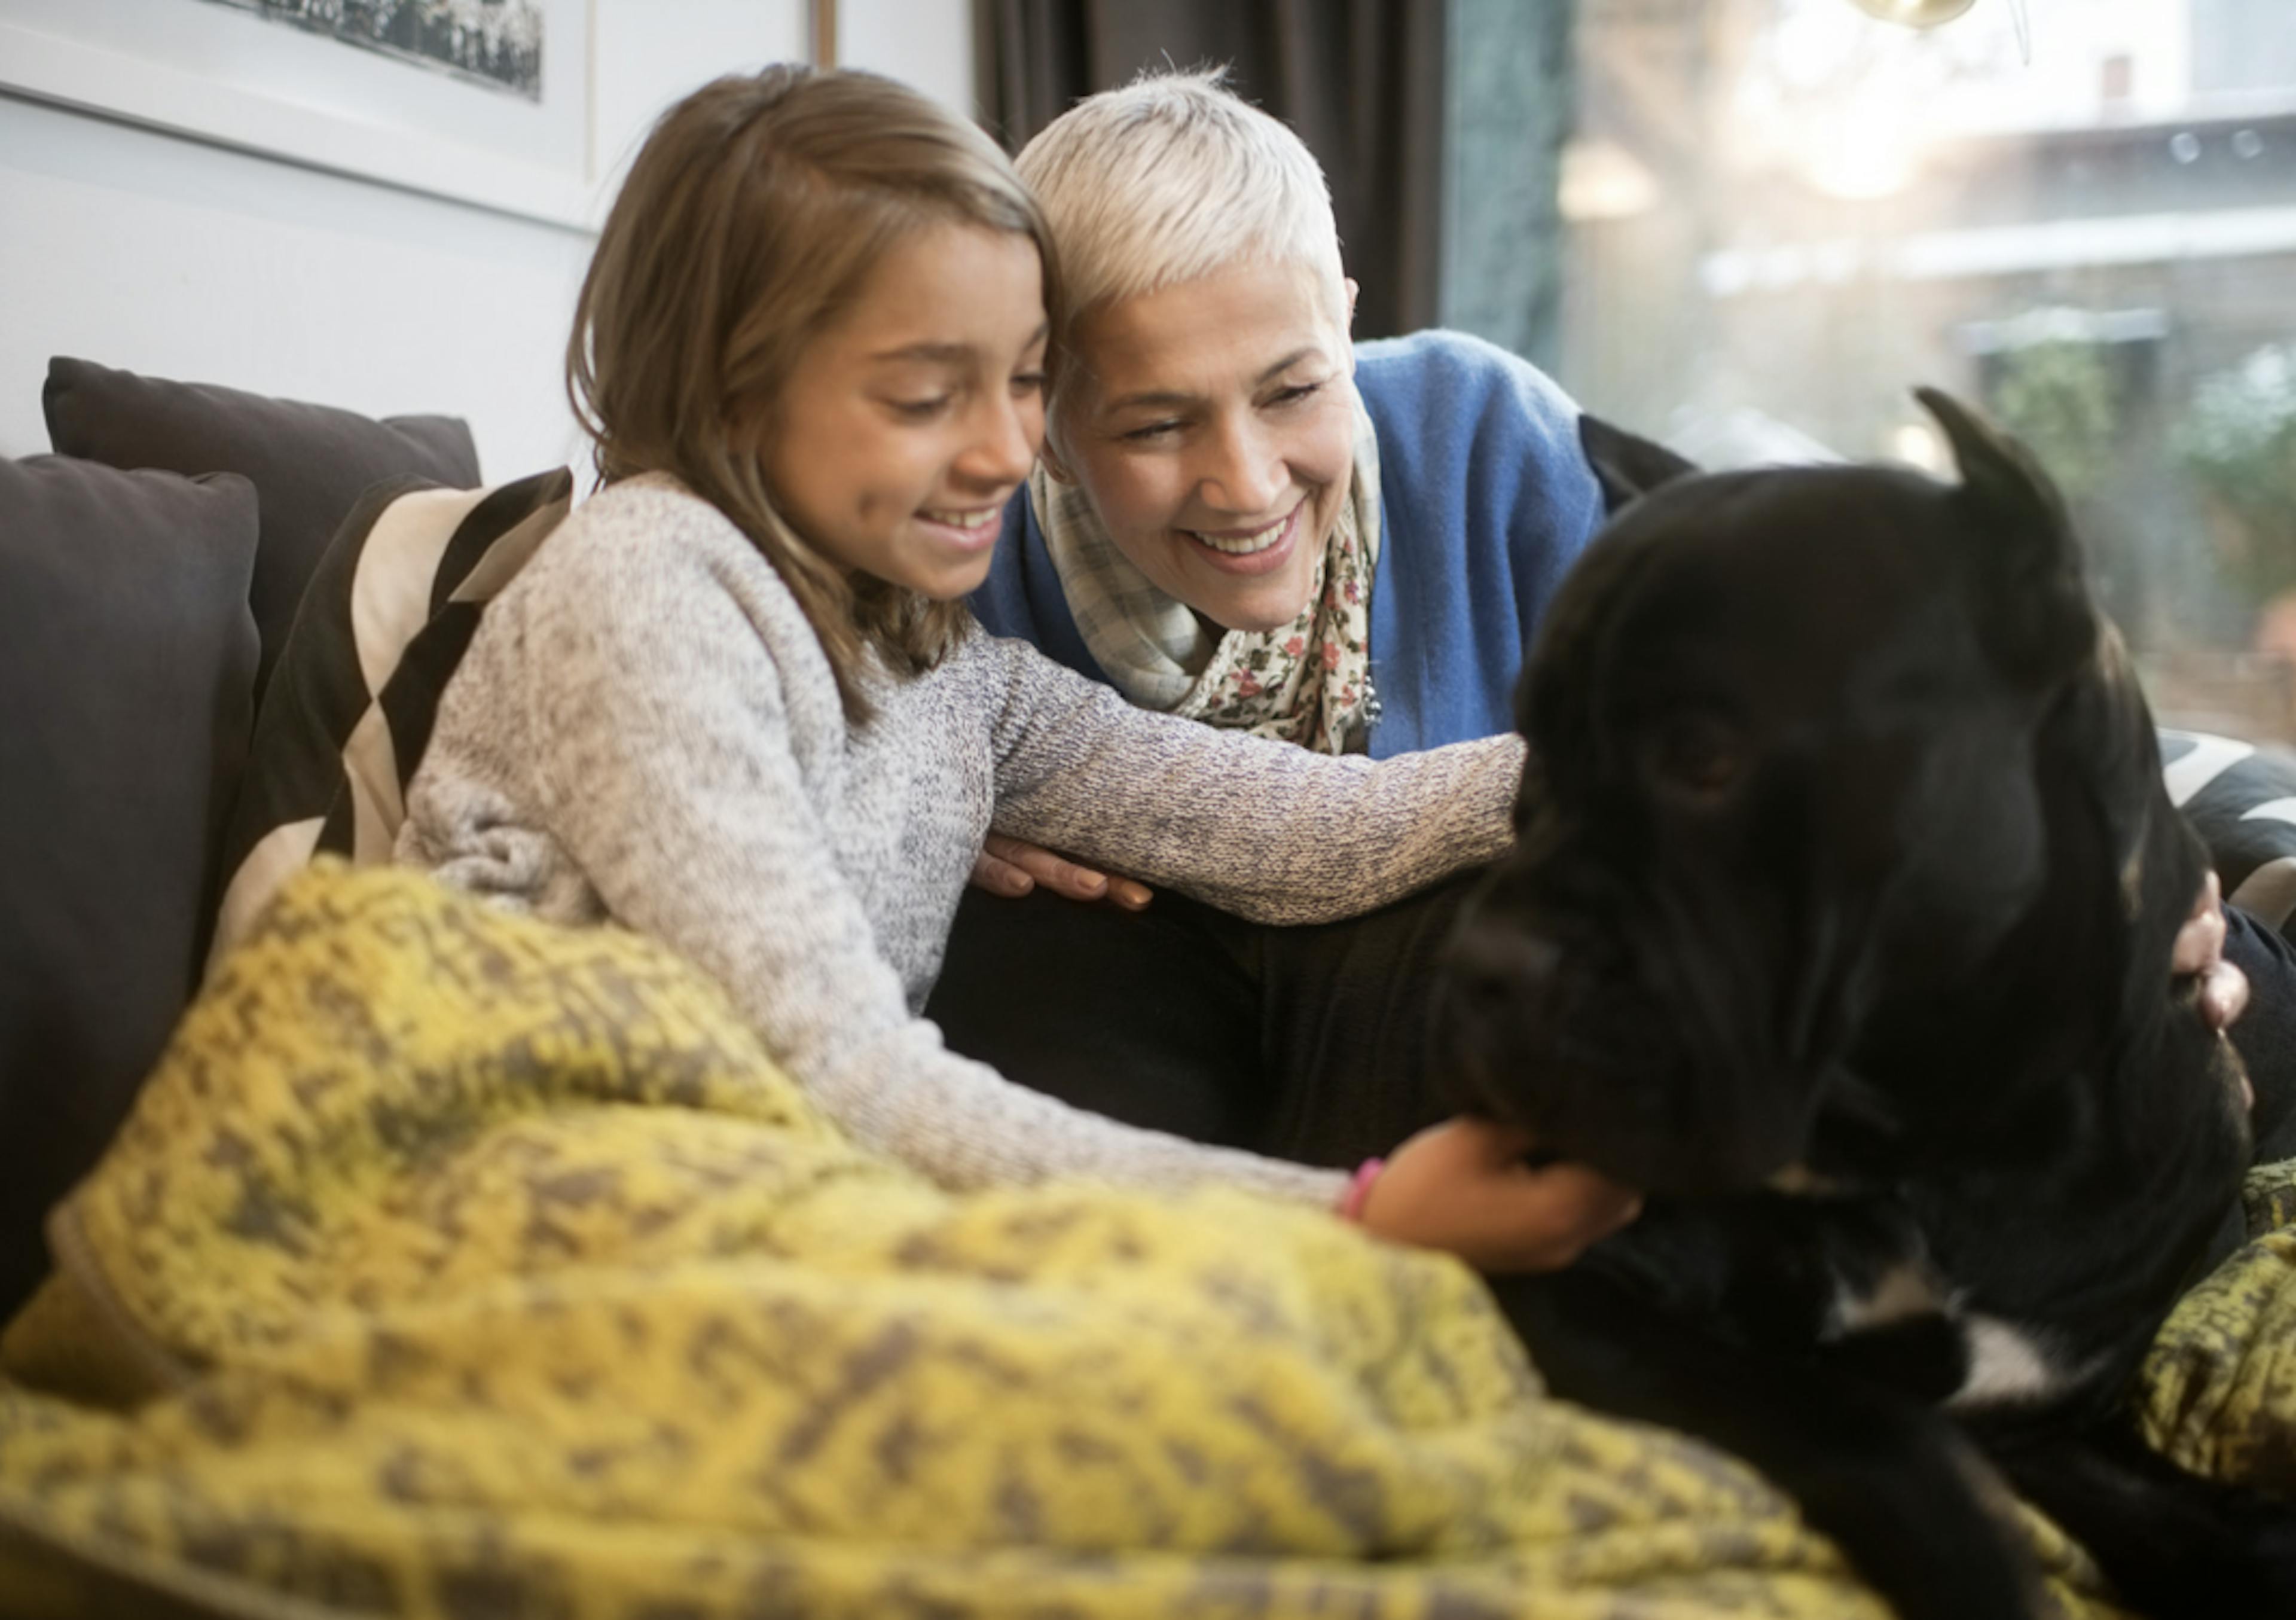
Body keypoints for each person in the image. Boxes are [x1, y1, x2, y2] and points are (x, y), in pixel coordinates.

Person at [395, 65, 1641, 1274]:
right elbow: (835, 1073)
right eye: (932, 395)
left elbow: (1304, 826)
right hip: (507, 1208)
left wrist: (1618, 776)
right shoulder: (651, 583)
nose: (1008, 451)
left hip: (761, 1209)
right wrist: (1355, 1222)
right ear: (739, 394)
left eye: (1026, 384)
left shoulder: (951, 668)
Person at [927, 68, 2265, 1166]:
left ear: (1344, 323)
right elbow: (857, 770)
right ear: (1043, 415)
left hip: (1500, 991)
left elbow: (1812, 682)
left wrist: (2130, 858)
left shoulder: (1482, 434)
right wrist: (954, 820)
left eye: (1290, 390)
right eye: (1155, 424)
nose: (1245, 480)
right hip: (1190, 1018)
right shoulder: (961, 566)